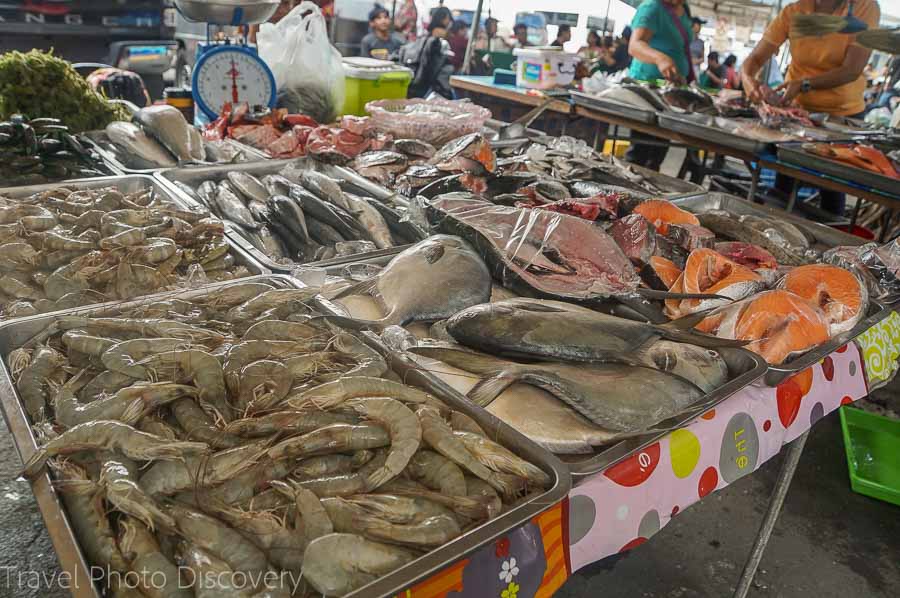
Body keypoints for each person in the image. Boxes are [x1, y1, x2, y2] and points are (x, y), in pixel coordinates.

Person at [741, 0, 880, 214]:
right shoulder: (794, 11)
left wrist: (805, 84)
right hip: (796, 114)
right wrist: (748, 80)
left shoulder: (864, 7)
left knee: (832, 188)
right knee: (784, 179)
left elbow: (852, 69)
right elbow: (755, 58)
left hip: (841, 117)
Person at [625, 0, 695, 171]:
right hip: (647, 89)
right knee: (641, 152)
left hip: (670, 93)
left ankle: (647, 193)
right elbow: (635, 45)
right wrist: (660, 58)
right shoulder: (652, 7)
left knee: (658, 152)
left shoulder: (683, 9)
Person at [401, 6, 454, 99]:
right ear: (445, 18)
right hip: (432, 85)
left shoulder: (427, 34)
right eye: (448, 18)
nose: (449, 21)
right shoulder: (441, 36)